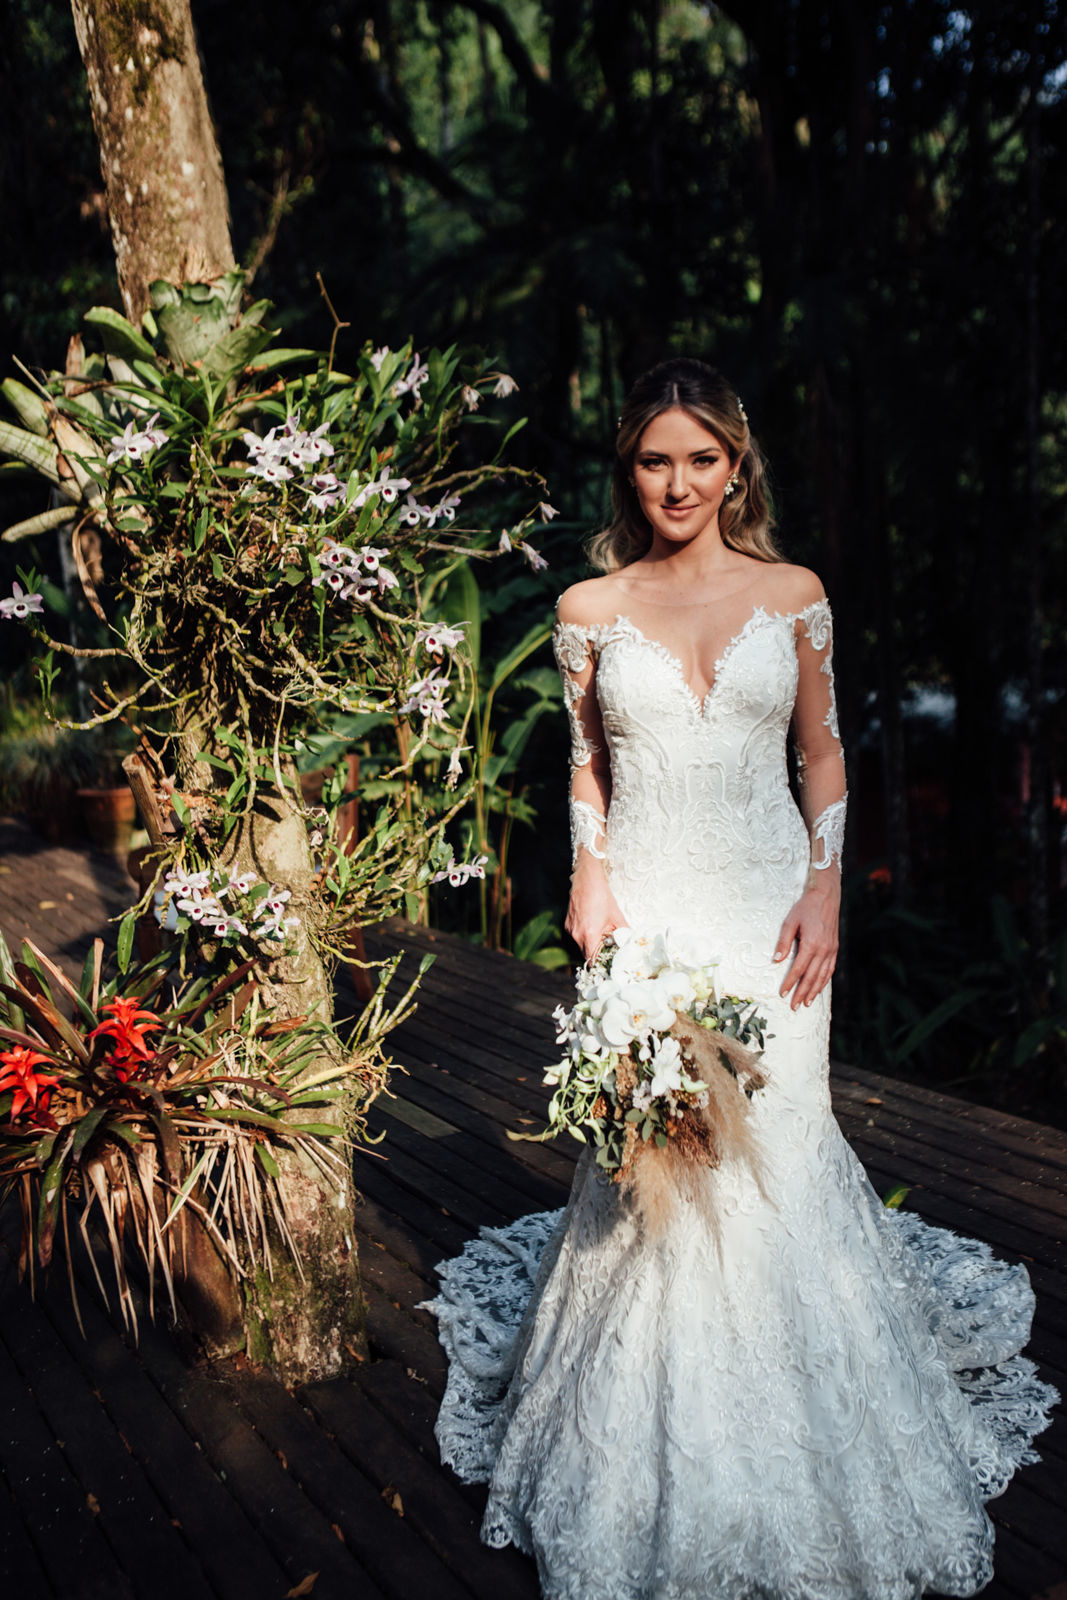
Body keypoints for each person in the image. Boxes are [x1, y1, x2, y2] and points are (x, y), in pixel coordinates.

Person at [422, 359, 1057, 1600]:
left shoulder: (793, 594)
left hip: (772, 910)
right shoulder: (588, 606)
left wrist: (825, 889)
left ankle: (809, 1413)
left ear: (735, 466)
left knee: (776, 1143)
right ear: (629, 470)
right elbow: (588, 765)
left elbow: (821, 753)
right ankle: (646, 1445)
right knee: (657, 1148)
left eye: (700, 459)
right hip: (651, 907)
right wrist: (588, 881)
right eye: (655, 460)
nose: (678, 483)